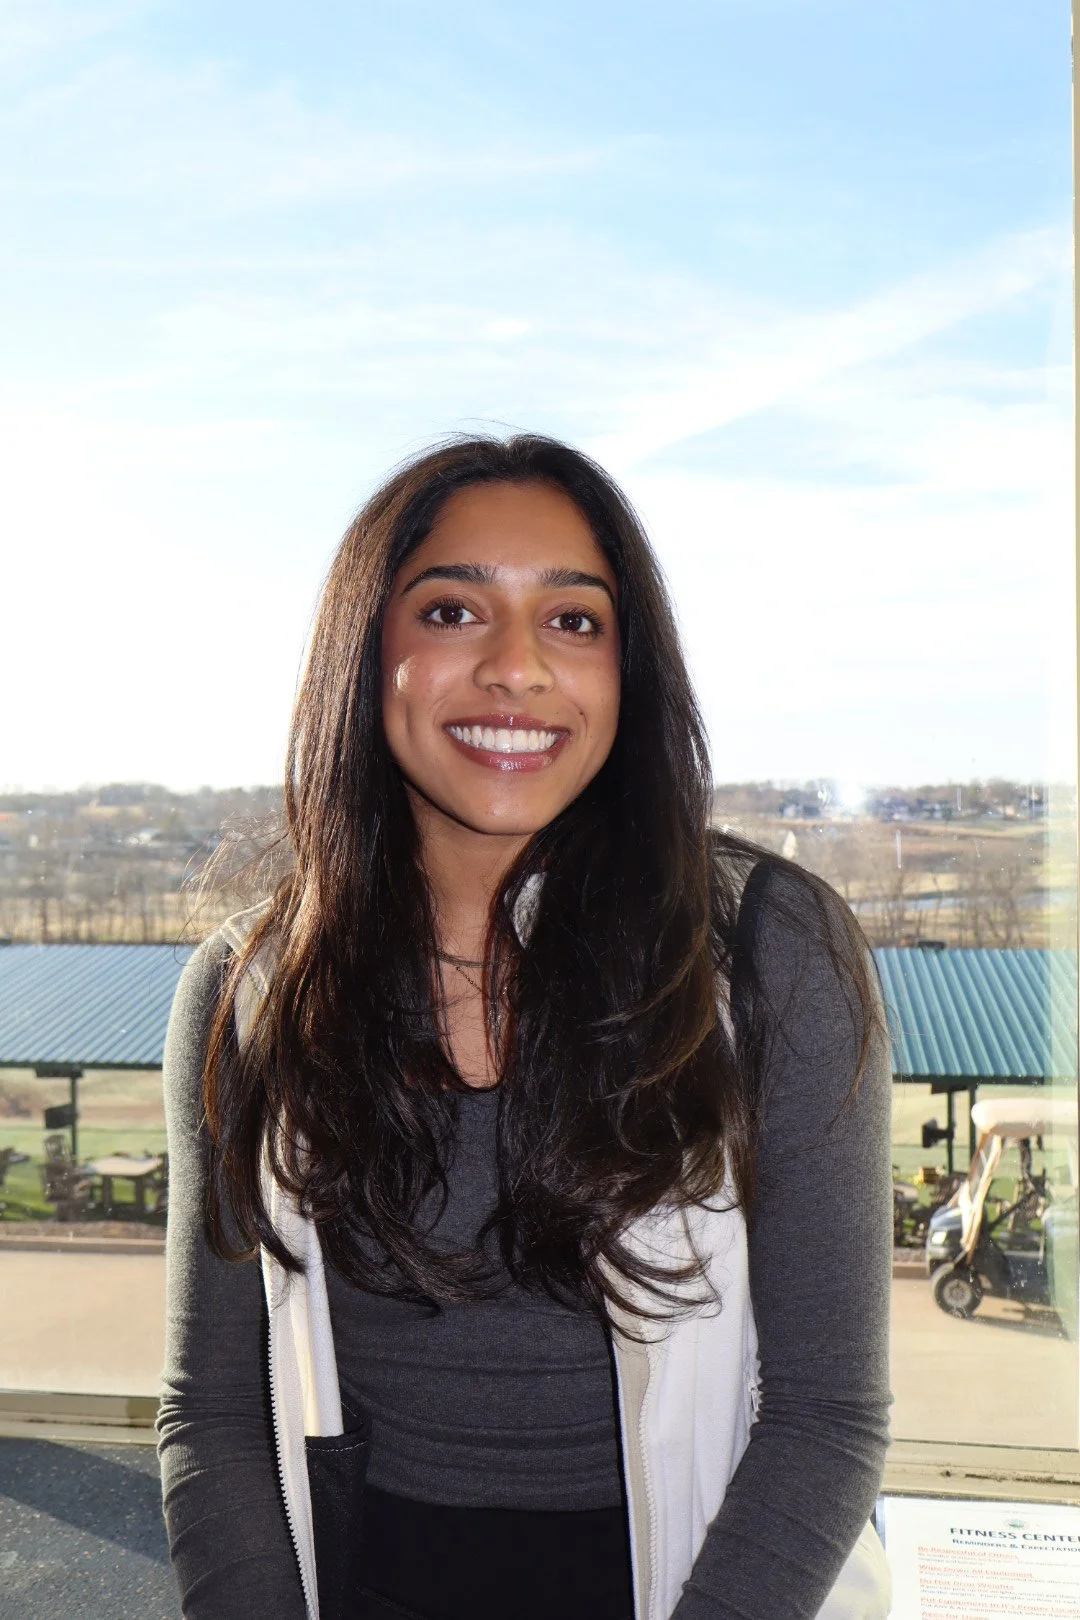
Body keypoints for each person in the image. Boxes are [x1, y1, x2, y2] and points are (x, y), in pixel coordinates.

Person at [157, 434, 892, 1620]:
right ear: (367, 655)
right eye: (453, 612)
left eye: (574, 621)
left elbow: (827, 1416)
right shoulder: (250, 993)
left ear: (627, 672)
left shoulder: (767, 952)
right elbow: (216, 1411)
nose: (516, 668)